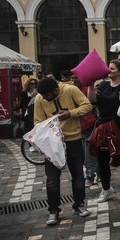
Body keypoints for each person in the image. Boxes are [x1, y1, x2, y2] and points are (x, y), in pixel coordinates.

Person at [33, 77, 93, 226]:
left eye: (47, 95)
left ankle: (79, 204)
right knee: (52, 179)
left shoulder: (70, 90)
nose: (45, 99)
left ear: (55, 90)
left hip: (73, 139)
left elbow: (87, 106)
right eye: (43, 96)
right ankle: (53, 210)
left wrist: (70, 113)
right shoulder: (40, 98)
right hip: (53, 143)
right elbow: (38, 122)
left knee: (78, 174)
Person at [87, 55, 120, 203]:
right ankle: (106, 189)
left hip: (119, 127)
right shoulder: (102, 86)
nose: (108, 70)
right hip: (103, 127)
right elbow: (92, 100)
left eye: (111, 68)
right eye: (108, 68)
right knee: (102, 159)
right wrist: (91, 84)